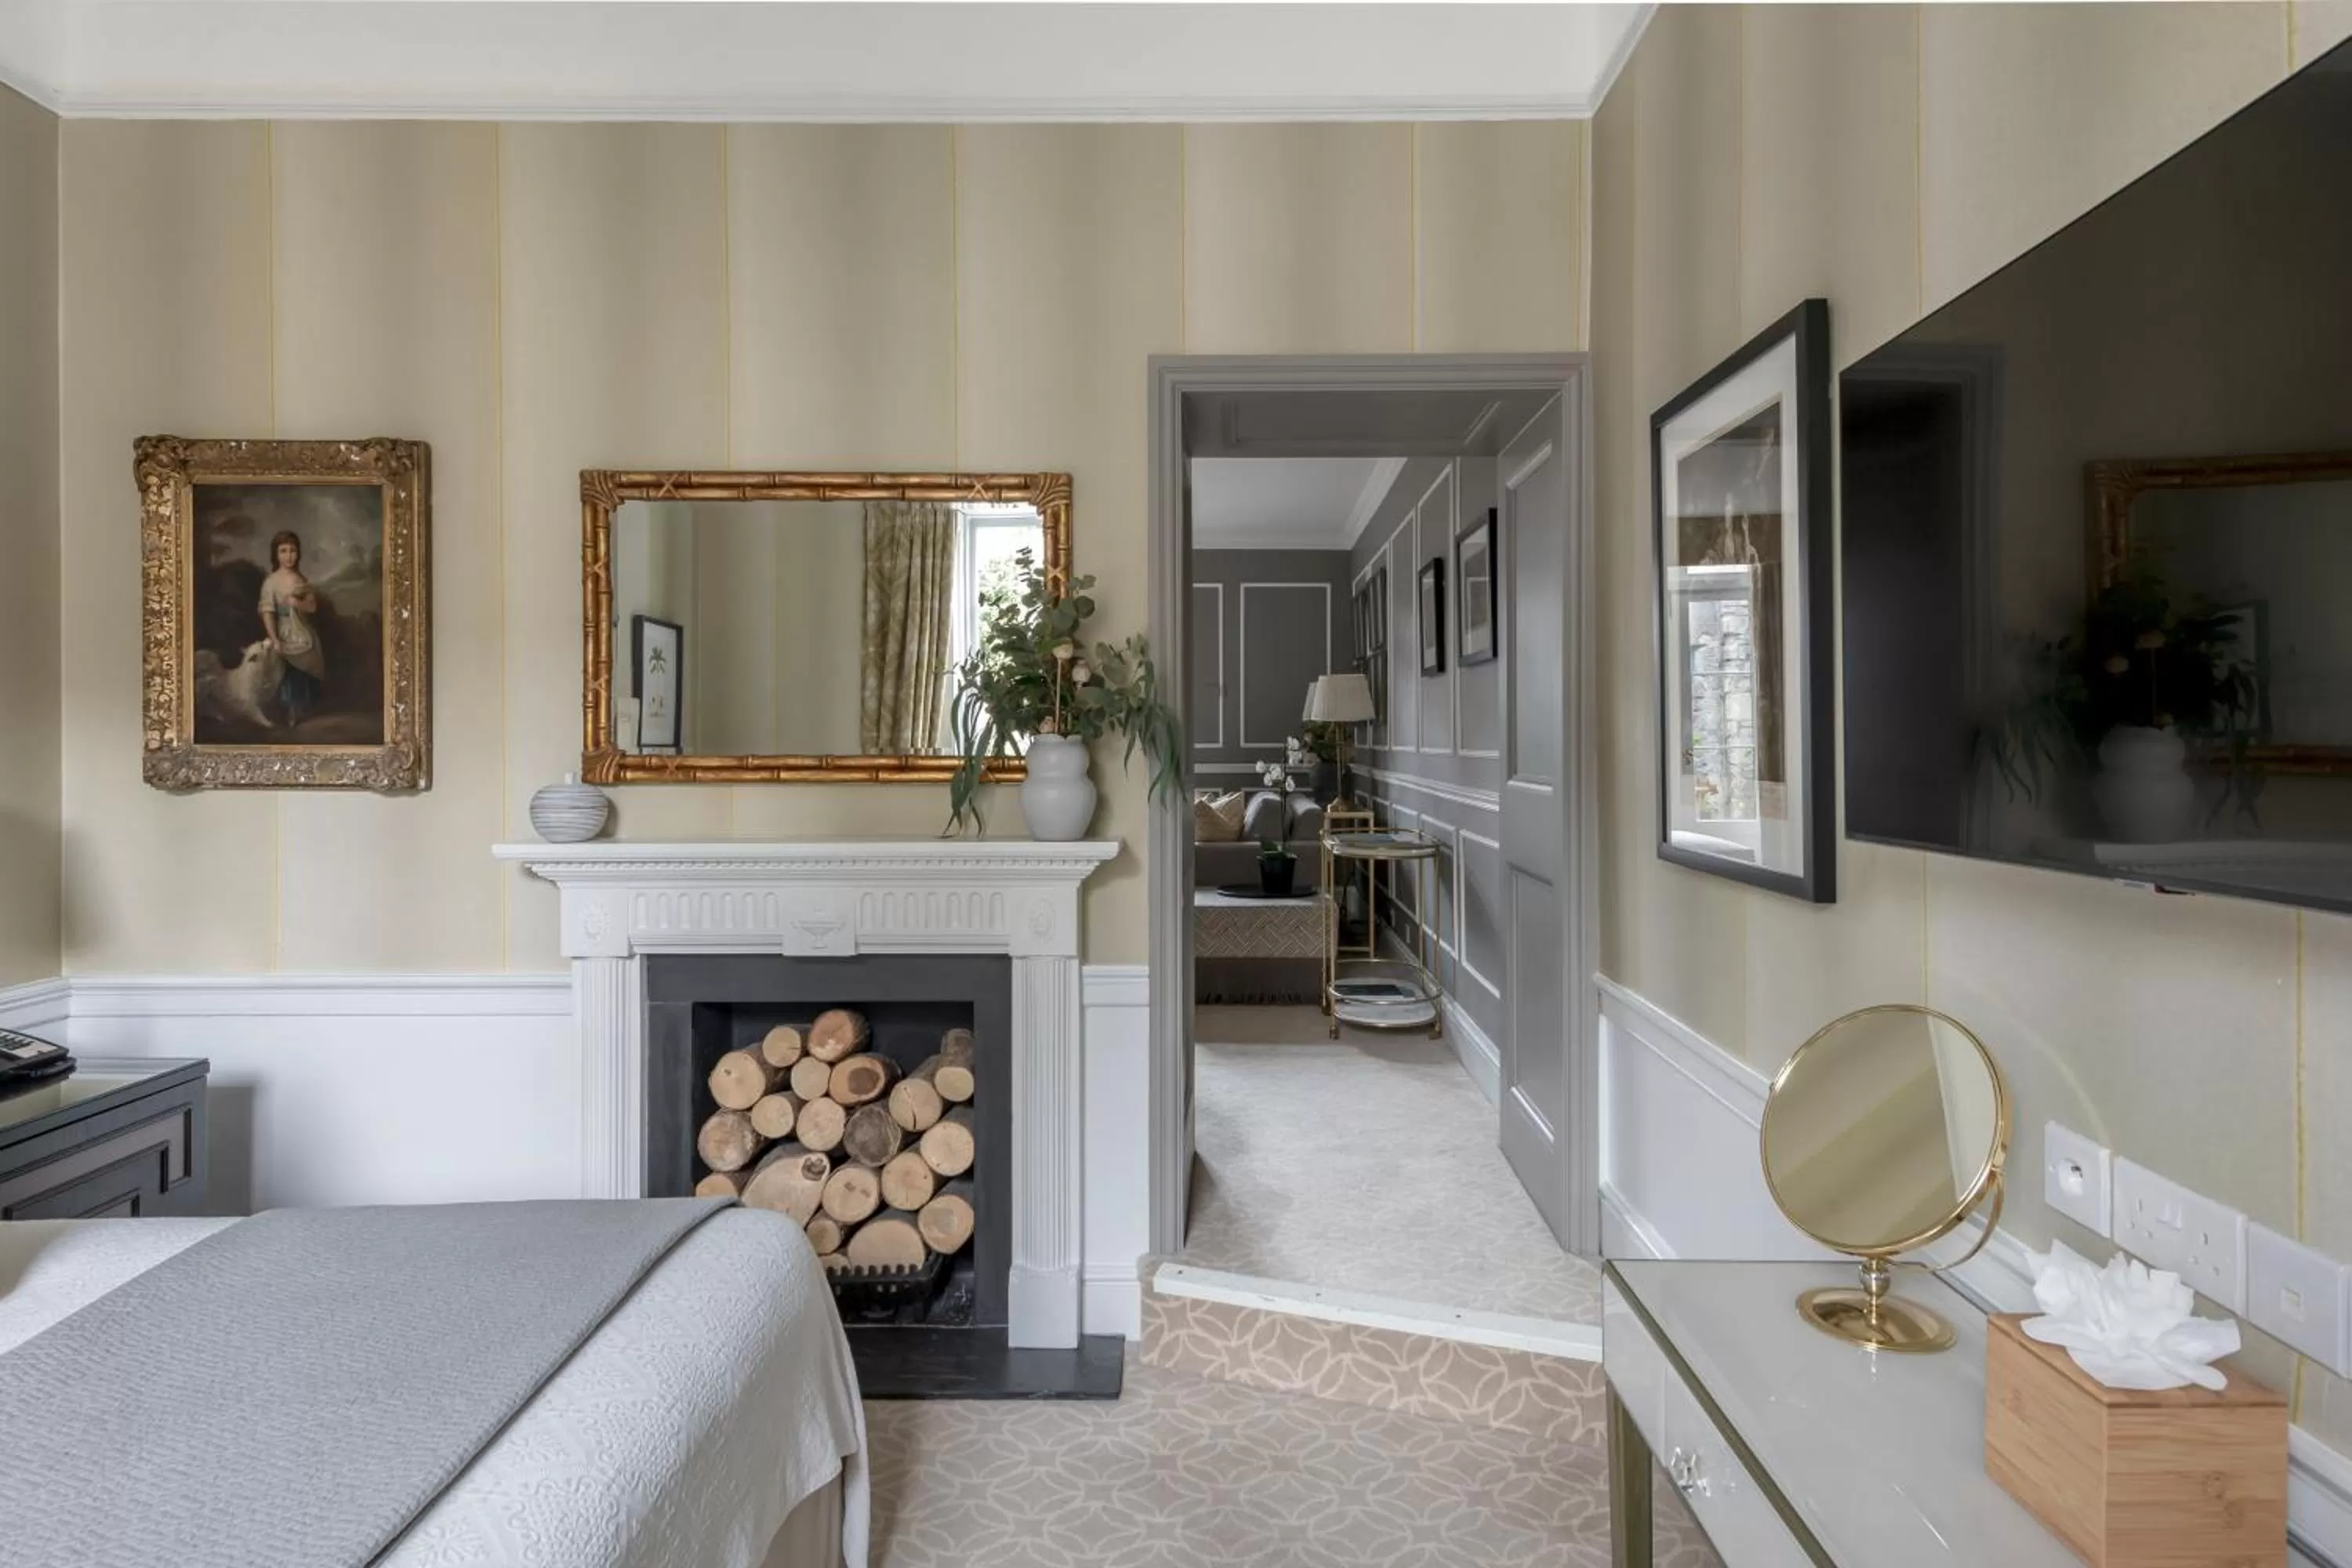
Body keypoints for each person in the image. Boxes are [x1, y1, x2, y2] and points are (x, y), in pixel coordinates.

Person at [256, 528, 326, 728]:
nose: (289, 556)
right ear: (276, 554)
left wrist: (296, 603)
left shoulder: (301, 580)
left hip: (303, 632)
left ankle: (304, 708)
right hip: (283, 632)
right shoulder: (271, 582)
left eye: (293, 551)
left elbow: (312, 607)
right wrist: (275, 638)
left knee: (309, 665)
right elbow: (268, 612)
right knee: (289, 671)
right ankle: (291, 711)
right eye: (284, 551)